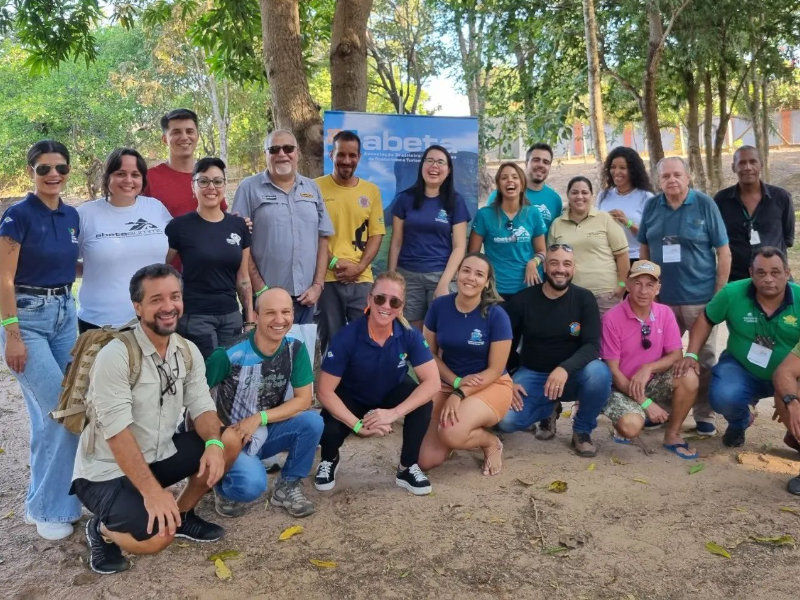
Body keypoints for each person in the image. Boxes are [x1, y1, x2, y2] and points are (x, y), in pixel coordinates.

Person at [70, 264, 241, 575]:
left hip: (154, 456)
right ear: (138, 307)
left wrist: (214, 443)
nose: (168, 307)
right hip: (105, 470)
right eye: (156, 299)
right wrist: (153, 492)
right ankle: (100, 530)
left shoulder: (187, 351)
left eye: (174, 296)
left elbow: (202, 406)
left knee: (228, 439)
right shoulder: (116, 355)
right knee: (156, 539)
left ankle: (183, 514)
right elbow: (117, 434)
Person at [0, 140, 81, 540]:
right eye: (44, 168)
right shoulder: (17, 217)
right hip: (28, 319)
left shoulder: (72, 216)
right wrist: (12, 334)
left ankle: (39, 502)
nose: (53, 174)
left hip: (66, 314)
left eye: (60, 168)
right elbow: (4, 279)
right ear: (31, 170)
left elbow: (70, 263)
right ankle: (52, 508)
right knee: (62, 414)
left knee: (46, 417)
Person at [314, 271, 439, 495]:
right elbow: (324, 391)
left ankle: (407, 467)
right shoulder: (347, 337)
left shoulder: (409, 334)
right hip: (353, 395)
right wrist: (358, 426)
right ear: (369, 299)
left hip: (390, 392)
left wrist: (393, 413)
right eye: (380, 298)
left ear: (401, 306)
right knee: (329, 427)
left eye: (394, 301)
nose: (386, 306)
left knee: (423, 402)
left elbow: (433, 383)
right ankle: (330, 458)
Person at [206, 287, 323, 518]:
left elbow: (303, 400)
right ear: (256, 316)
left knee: (312, 422)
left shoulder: (294, 349)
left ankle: (287, 486)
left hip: (262, 430)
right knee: (251, 485)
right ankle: (223, 485)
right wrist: (216, 442)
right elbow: (197, 401)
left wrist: (259, 418)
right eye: (271, 313)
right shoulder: (227, 354)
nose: (280, 320)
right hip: (228, 438)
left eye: (286, 312)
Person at [639, 156, 731, 436]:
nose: (671, 180)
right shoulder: (652, 206)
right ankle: (663, 410)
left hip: (700, 299)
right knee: (662, 355)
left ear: (688, 177)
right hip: (662, 301)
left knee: (702, 357)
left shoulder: (704, 204)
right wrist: (648, 287)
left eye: (677, 175)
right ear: (658, 181)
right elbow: (643, 246)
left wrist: (719, 295)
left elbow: (723, 252)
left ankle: (704, 415)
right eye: (665, 176)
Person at [674, 247, 800, 452]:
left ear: (787, 272)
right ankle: (740, 421)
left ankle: (794, 436)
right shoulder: (732, 293)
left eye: (775, 272)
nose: (768, 278)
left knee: (792, 404)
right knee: (723, 397)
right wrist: (691, 353)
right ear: (751, 273)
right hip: (743, 367)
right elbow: (706, 319)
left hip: (790, 374)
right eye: (761, 273)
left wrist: (789, 394)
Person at [496, 244, 611, 457]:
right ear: (545, 268)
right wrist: (507, 379)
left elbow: (592, 346)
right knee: (506, 421)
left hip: (573, 375)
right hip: (534, 374)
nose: (560, 269)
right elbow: (504, 345)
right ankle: (548, 409)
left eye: (567, 264)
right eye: (554, 263)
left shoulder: (585, 299)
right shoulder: (523, 300)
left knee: (600, 373)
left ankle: (582, 431)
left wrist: (564, 368)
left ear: (574, 269)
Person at [418, 253, 513, 475]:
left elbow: (495, 369)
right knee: (425, 460)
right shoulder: (439, 306)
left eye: (479, 274)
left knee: (452, 432)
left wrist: (459, 393)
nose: (471, 278)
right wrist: (455, 382)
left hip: (491, 385)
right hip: (451, 382)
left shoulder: (497, 315)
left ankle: (490, 442)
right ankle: (454, 435)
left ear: (487, 282)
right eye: (466, 270)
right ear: (458, 273)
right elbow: (428, 354)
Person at [233, 129, 334, 325]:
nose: (281, 154)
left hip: (307, 298)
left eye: (288, 148)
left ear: (297, 153)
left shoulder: (312, 188)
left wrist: (318, 286)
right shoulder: (248, 188)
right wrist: (260, 288)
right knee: (268, 354)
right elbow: (239, 243)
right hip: (266, 299)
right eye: (274, 149)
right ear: (266, 154)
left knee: (302, 354)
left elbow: (323, 238)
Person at [601, 260, 700, 458]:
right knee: (630, 427)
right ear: (628, 285)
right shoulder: (611, 318)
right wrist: (645, 403)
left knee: (688, 374)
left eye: (649, 284)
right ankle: (627, 419)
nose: (643, 291)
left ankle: (672, 435)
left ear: (658, 288)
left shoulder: (665, 313)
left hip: (650, 382)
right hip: (620, 388)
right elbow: (612, 370)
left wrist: (648, 368)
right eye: (637, 283)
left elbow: (675, 355)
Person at [165, 157, 253, 358]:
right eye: (203, 181)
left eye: (217, 181)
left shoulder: (239, 226)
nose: (211, 187)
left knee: (230, 376)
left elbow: (244, 279)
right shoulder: (179, 227)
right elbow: (161, 269)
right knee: (204, 377)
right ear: (193, 186)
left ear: (224, 184)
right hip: (196, 318)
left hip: (231, 316)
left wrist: (249, 321)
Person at [77, 148, 172, 331]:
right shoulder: (86, 214)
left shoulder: (155, 208)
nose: (128, 180)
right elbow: (63, 261)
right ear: (107, 177)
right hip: (101, 324)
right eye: (120, 173)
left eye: (135, 174)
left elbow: (177, 244)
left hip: (153, 320)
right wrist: (94, 267)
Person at [315, 131, 385, 352]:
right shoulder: (314, 188)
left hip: (361, 279)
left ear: (359, 157)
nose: (346, 160)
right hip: (326, 279)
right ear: (331, 154)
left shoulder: (371, 191)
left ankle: (360, 387)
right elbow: (312, 234)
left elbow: (376, 234)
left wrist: (359, 267)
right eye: (341, 154)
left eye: (352, 155)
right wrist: (334, 263)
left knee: (365, 340)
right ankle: (329, 388)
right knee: (331, 344)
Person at [387, 145, 469, 329]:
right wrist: (391, 279)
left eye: (440, 162)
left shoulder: (456, 201)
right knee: (409, 329)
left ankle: (438, 360)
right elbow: (396, 242)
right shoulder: (404, 199)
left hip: (441, 274)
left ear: (448, 171)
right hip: (408, 275)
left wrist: (444, 283)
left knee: (441, 329)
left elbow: (459, 246)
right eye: (429, 161)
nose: (434, 166)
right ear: (422, 166)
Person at [547, 176, 629, 315]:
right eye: (574, 192)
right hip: (570, 295)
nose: (580, 196)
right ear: (568, 195)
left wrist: (622, 286)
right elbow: (551, 260)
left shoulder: (605, 219)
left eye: (584, 192)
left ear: (591, 195)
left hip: (606, 295)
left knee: (608, 336)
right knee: (575, 336)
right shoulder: (557, 224)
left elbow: (622, 255)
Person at [713, 145, 794, 282]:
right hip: (736, 278)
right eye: (742, 163)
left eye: (753, 162)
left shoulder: (781, 197)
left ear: (761, 164)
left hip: (774, 279)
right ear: (734, 167)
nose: (748, 167)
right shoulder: (721, 200)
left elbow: (787, 237)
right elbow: (717, 241)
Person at [468, 162, 546, 299]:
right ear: (498, 185)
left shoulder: (533, 213)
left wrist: (533, 262)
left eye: (515, 177)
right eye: (504, 178)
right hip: (494, 291)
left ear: (522, 185)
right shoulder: (484, 215)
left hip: (527, 289)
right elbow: (473, 255)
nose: (510, 180)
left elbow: (542, 251)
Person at [144, 108, 227, 217]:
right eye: (176, 132)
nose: (184, 137)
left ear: (197, 136)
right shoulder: (149, 179)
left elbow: (221, 217)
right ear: (165, 139)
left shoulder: (210, 176)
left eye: (189, 131)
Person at [486, 143, 563, 231]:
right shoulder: (500, 195)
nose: (541, 165)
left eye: (546, 162)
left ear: (549, 167)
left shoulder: (555, 200)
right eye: (536, 160)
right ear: (526, 163)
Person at [597, 146, 654, 264]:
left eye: (622, 168)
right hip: (608, 260)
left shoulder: (646, 197)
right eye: (613, 167)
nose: (616, 172)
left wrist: (627, 222)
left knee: (625, 284)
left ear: (633, 171)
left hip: (637, 258)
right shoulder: (603, 196)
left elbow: (652, 237)